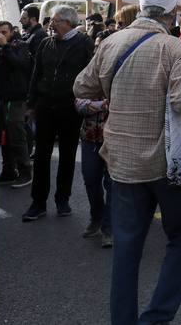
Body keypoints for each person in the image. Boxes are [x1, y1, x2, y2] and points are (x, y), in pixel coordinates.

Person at [72, 0, 181, 325]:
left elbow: (82, 87)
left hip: (122, 159)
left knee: (127, 249)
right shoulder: (174, 47)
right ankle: (156, 318)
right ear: (171, 14)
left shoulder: (110, 42)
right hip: (167, 161)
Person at [23, 5, 95, 222]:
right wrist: (31, 103)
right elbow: (37, 74)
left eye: (54, 20)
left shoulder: (84, 44)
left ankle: (62, 199)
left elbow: (91, 75)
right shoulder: (46, 43)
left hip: (70, 109)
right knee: (42, 156)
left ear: (67, 22)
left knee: (67, 155)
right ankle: (38, 202)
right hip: (45, 107)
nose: (50, 24)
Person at [76, 31, 113, 249]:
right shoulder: (87, 73)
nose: (99, 50)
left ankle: (109, 228)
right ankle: (96, 217)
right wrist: (101, 105)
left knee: (113, 184)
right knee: (90, 180)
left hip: (113, 137)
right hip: (89, 136)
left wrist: (94, 104)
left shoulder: (121, 72)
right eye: (97, 46)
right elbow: (78, 103)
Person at [0, 21, 34, 188]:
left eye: (4, 31)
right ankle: (8, 170)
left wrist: (5, 47)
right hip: (2, 98)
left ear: (11, 32)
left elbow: (19, 64)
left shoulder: (20, 45)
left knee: (16, 133)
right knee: (4, 135)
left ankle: (25, 171)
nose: (1, 35)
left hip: (16, 98)